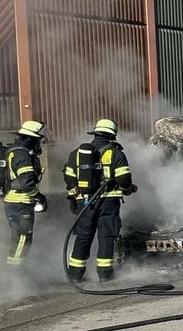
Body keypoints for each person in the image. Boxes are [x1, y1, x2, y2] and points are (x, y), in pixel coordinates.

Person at [64, 119, 137, 282]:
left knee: (83, 236)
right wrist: (127, 189)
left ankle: (75, 274)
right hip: (108, 203)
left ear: (95, 134)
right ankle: (105, 275)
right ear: (112, 136)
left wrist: (74, 198)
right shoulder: (116, 153)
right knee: (106, 237)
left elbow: (69, 178)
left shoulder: (76, 154)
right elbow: (124, 178)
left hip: (85, 204)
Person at [3, 120, 48, 267]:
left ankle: (15, 270)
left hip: (14, 200)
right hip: (21, 201)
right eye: (38, 140)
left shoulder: (14, 151)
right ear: (32, 138)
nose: (39, 144)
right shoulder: (22, 154)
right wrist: (39, 197)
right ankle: (15, 273)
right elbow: (27, 182)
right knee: (23, 237)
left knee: (19, 236)